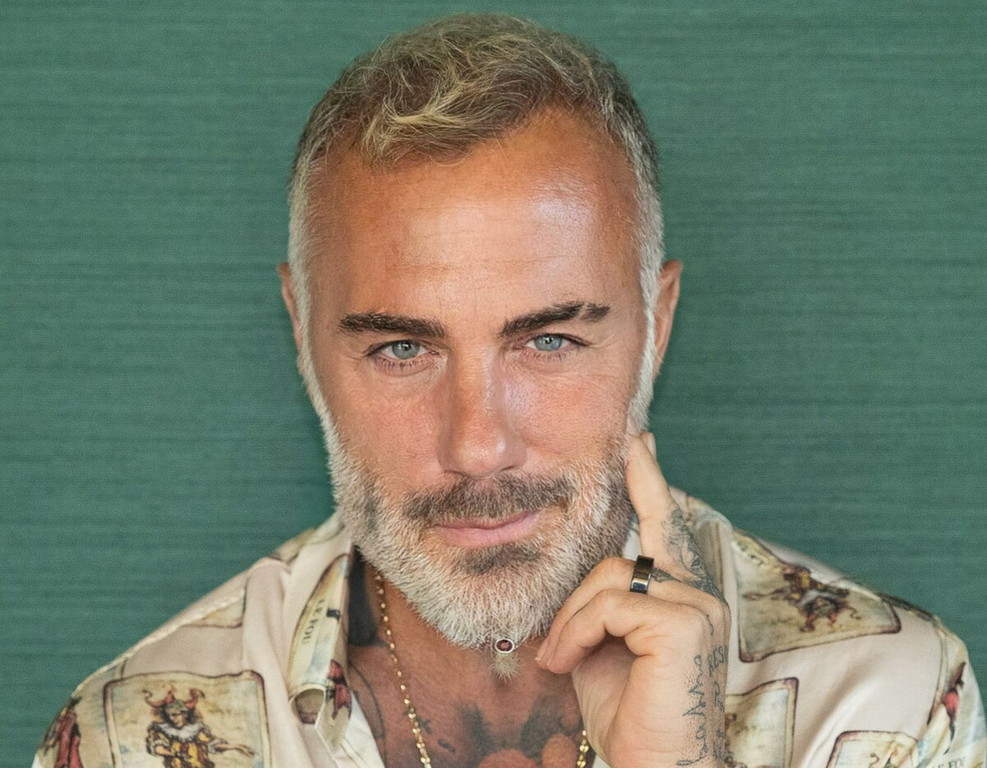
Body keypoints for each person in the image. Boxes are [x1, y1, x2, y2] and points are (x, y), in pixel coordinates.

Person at [34, 13, 985, 768]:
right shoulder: (129, 736)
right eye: (401, 349)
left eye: (549, 341)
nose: (478, 446)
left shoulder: (882, 705)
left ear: (655, 326)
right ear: (301, 335)